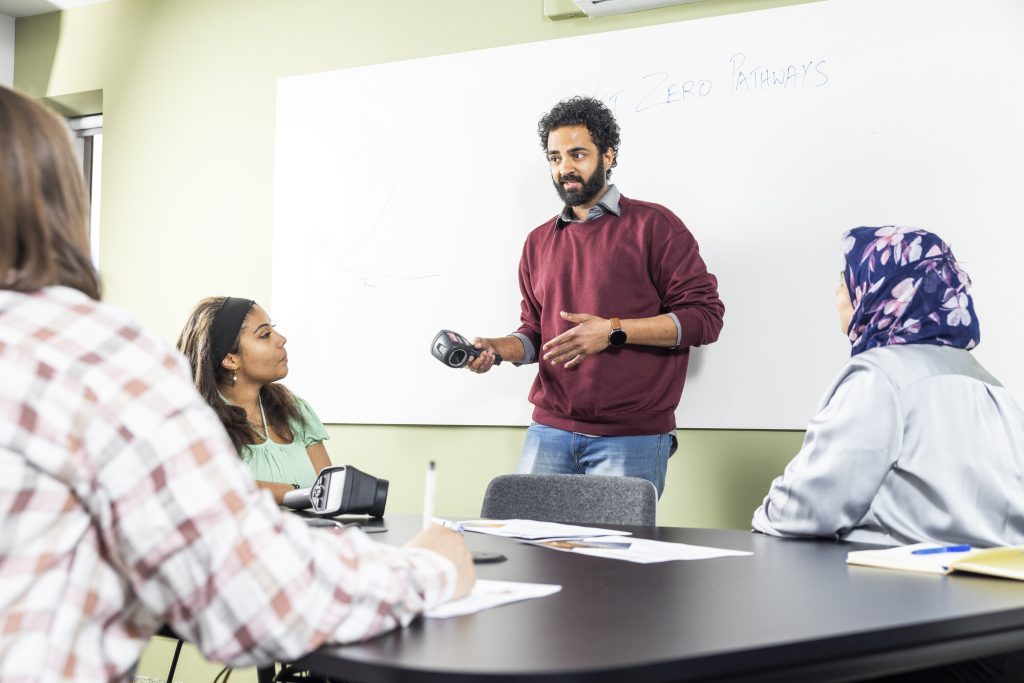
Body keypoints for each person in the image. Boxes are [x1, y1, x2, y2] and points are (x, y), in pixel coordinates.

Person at [0, 84, 474, 682]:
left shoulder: (290, 409)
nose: (281, 341)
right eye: (262, 333)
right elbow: (246, 593)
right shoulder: (90, 355)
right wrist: (426, 571)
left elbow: (327, 489)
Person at [753, 226, 1024, 682]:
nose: (838, 293)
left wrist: (768, 511)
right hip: (1000, 629)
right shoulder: (989, 384)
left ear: (878, 291)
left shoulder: (879, 377)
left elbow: (800, 511)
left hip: (909, 633)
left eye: (846, 280)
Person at [467, 96, 724, 497]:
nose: (564, 167)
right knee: (532, 554)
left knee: (613, 558)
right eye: (554, 158)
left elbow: (705, 319)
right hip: (549, 430)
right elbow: (536, 331)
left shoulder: (655, 227)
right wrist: (497, 349)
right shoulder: (538, 242)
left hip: (631, 437)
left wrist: (613, 332)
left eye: (578, 154)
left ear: (608, 155)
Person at [178, 296, 330, 504]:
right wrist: (289, 492)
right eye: (265, 334)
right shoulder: (197, 425)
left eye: (273, 329)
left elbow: (331, 496)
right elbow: (203, 488)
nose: (281, 339)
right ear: (230, 360)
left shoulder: (296, 410)